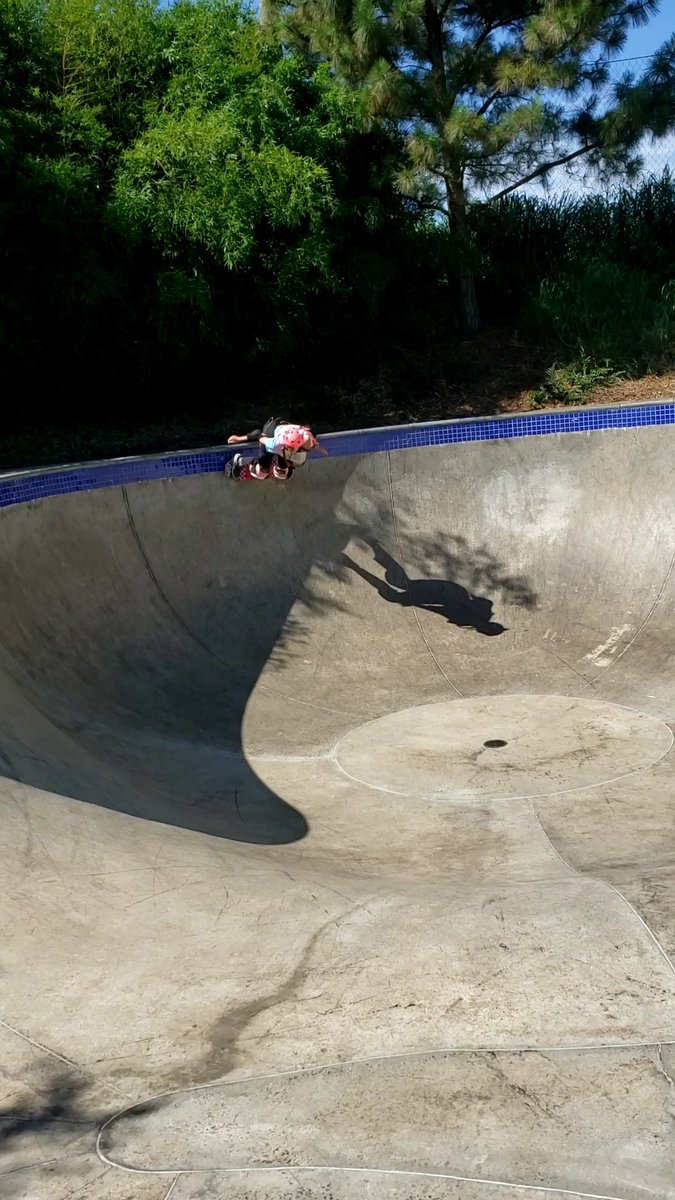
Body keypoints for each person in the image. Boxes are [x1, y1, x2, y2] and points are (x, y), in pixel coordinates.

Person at [227, 416, 329, 480]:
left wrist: (320, 448)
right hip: (272, 429)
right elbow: (258, 435)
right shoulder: (275, 444)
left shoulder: (307, 441)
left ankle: (281, 466)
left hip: (288, 429)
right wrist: (238, 438)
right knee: (260, 473)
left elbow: (308, 430)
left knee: (282, 474)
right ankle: (240, 461)